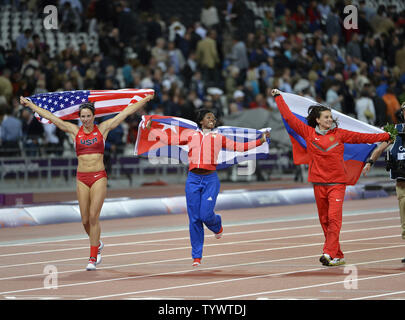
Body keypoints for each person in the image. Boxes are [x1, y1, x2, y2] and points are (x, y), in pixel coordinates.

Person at [19, 94, 153, 270]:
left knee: (93, 216)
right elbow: (51, 117)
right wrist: (30, 105)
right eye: (82, 116)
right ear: (79, 117)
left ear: (93, 116)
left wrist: (145, 99)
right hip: (82, 178)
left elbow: (125, 113)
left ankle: (92, 257)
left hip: (98, 176)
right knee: (84, 220)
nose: (86, 119)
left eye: (88, 116)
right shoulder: (75, 131)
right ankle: (96, 242)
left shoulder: (103, 129)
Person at [271, 89, 391, 266]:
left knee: (334, 218)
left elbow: (363, 137)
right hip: (318, 183)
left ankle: (328, 252)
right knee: (325, 220)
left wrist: (385, 136)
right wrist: (279, 98)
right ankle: (338, 254)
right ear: (317, 120)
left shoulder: (340, 134)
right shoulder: (308, 133)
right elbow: (289, 118)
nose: (329, 119)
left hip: (337, 183)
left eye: (330, 117)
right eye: (326, 117)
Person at [147, 109, 270, 266]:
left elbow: (240, 147)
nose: (213, 119)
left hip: (210, 179)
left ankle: (217, 224)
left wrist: (260, 141)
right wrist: (152, 128)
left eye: (214, 117)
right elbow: (170, 139)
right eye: (209, 117)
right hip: (193, 179)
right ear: (201, 121)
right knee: (194, 219)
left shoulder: (219, 137)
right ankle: (196, 256)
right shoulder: (191, 135)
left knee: (205, 215)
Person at [363, 102, 405, 263]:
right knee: (404, 219)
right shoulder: (396, 130)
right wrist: (370, 162)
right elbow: (380, 148)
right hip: (402, 182)